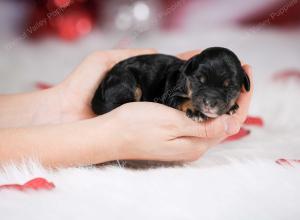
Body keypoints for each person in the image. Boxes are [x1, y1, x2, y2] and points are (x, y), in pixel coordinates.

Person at [0, 49, 253, 168]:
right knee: (127, 88)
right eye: (200, 83)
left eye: (227, 90)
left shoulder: (194, 74)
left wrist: (60, 104)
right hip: (130, 77)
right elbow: (173, 101)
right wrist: (111, 136)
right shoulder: (177, 83)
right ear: (188, 70)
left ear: (243, 84)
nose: (210, 101)